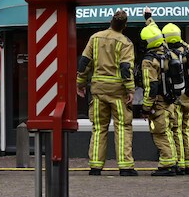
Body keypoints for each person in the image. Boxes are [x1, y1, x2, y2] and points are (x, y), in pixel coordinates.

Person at [75, 10, 137, 176]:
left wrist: (80, 83)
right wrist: (130, 89)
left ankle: (95, 166)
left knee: (99, 128)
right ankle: (125, 167)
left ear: (111, 22)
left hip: (98, 90)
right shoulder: (125, 42)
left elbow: (84, 63)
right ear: (125, 25)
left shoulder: (95, 38)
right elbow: (126, 68)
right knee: (123, 128)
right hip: (118, 92)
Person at [140, 10, 178, 176]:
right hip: (170, 101)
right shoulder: (167, 52)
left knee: (160, 133)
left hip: (159, 103)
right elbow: (155, 32)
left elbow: (151, 86)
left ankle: (167, 164)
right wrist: (149, 19)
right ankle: (173, 161)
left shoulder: (149, 61)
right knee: (169, 132)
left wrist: (146, 107)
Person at [163, 23, 189, 175]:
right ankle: (188, 163)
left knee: (176, 130)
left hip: (178, 97)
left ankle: (180, 163)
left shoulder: (170, 54)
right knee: (186, 131)